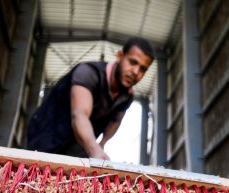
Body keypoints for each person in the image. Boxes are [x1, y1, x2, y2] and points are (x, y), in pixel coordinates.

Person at [27, 37, 155, 160]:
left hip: (78, 147)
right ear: (120, 56)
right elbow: (80, 115)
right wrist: (95, 150)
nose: (135, 72)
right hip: (46, 134)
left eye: (143, 69)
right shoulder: (88, 73)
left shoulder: (128, 96)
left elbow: (116, 120)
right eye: (133, 62)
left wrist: (102, 144)